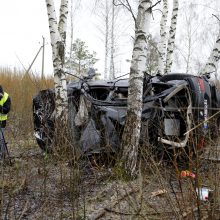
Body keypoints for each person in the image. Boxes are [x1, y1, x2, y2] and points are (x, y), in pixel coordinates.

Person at [0, 85, 11, 159]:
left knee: (1, 139)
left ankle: (2, 155)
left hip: (1, 122)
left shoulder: (6, 97)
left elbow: (6, 110)